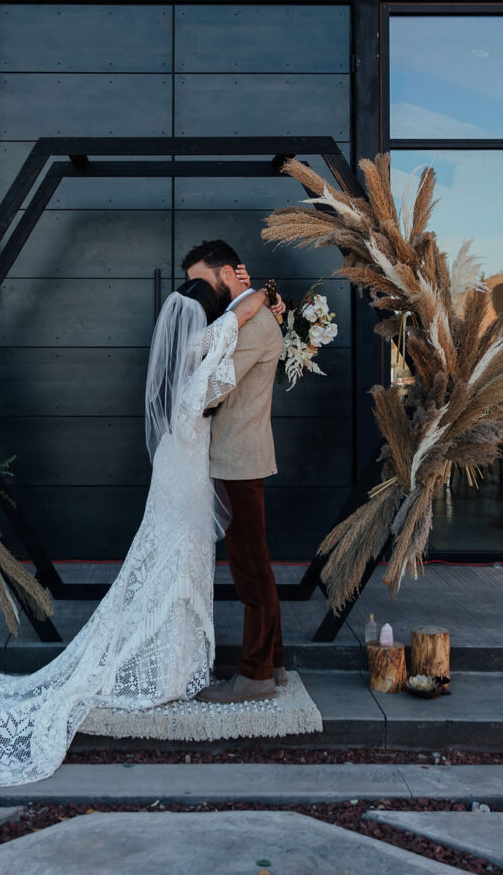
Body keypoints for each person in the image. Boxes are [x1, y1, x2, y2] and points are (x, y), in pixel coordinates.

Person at [0, 277, 273, 788]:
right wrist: (248, 311)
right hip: (183, 473)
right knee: (176, 561)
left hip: (177, 468)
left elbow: (214, 348)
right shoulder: (203, 362)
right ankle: (167, 670)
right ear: (202, 321)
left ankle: (174, 664)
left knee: (175, 562)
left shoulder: (192, 350)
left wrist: (243, 312)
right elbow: (209, 384)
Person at [183, 240, 286, 704]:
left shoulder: (253, 322)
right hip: (235, 455)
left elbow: (213, 392)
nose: (197, 293)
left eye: (203, 281)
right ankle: (273, 665)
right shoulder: (245, 315)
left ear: (227, 273)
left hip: (238, 458)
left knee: (249, 568)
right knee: (254, 561)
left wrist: (182, 390)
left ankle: (255, 674)